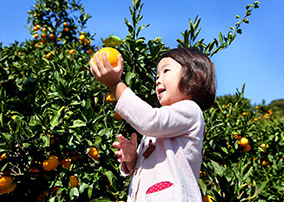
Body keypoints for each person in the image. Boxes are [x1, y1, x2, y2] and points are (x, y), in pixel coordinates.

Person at [90, 47, 216, 201]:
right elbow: (151, 163)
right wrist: (132, 159)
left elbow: (149, 121)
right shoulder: (165, 124)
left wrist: (115, 84)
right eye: (157, 75)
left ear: (193, 76)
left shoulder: (190, 110)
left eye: (166, 71)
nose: (157, 80)